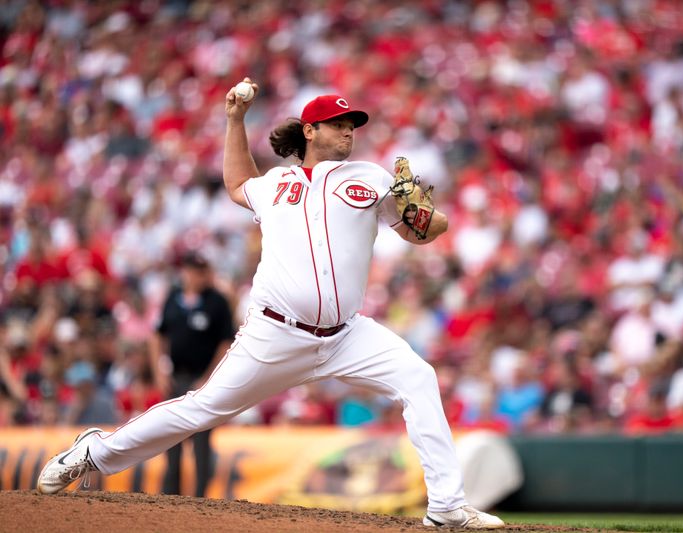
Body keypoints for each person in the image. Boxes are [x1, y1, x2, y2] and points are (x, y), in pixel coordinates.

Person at [37, 79, 504, 529]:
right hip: (276, 331)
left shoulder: (372, 177)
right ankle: (93, 452)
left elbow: (421, 231)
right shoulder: (277, 183)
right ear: (310, 130)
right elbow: (239, 182)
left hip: (347, 334)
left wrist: (423, 214)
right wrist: (235, 119)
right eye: (338, 123)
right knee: (201, 410)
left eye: (352, 124)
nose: (348, 130)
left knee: (418, 377)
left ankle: (447, 507)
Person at [149, 251, 235, 497]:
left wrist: (209, 376)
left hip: (203, 379)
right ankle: (170, 497)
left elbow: (225, 342)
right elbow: (157, 334)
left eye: (201, 271)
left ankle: (200, 499)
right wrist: (159, 371)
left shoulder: (217, 302)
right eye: (194, 271)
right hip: (176, 376)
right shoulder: (173, 297)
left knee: (201, 443)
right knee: (171, 439)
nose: (198, 276)